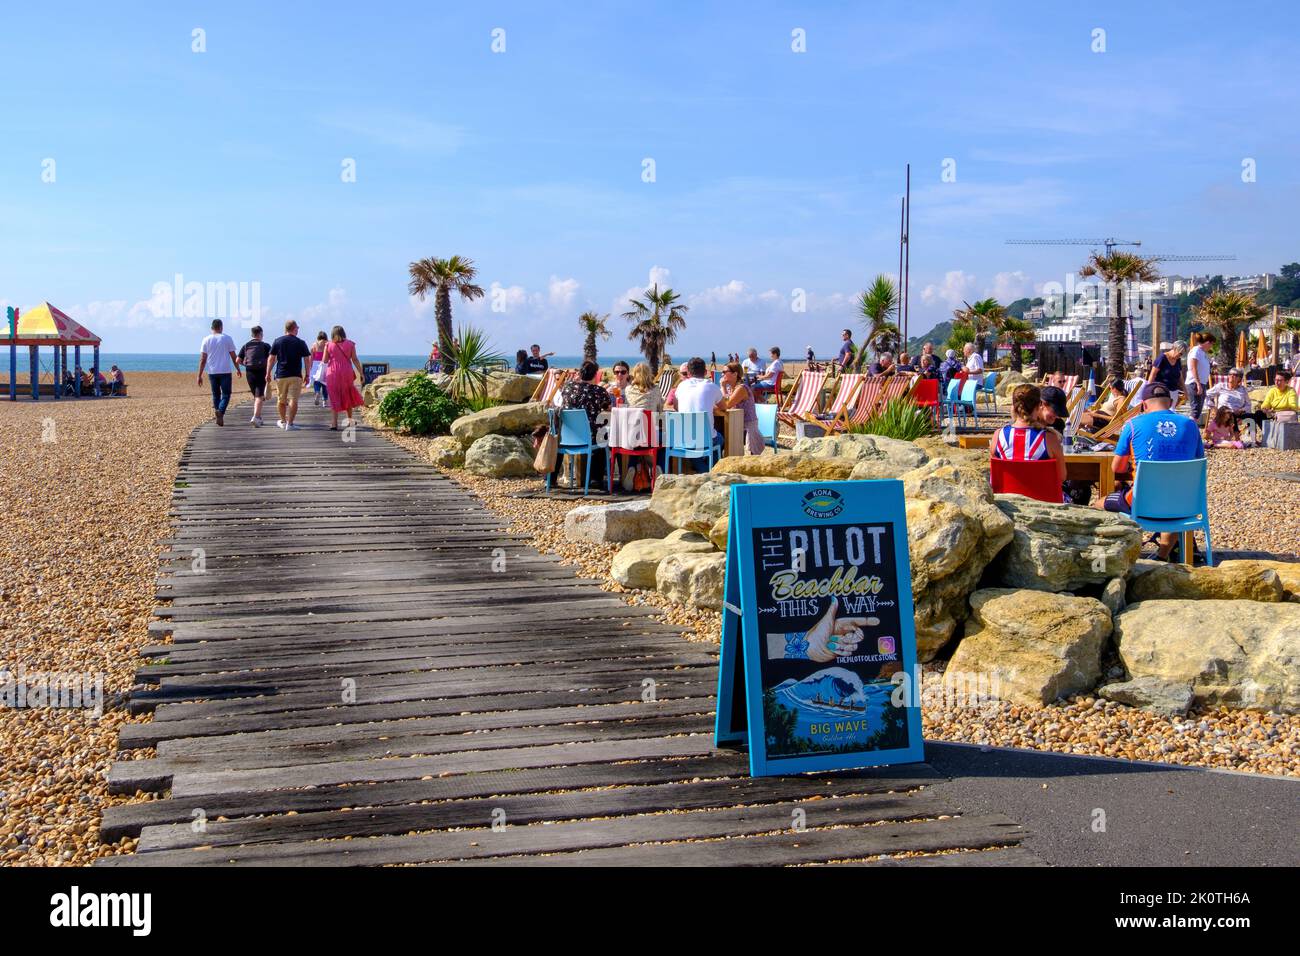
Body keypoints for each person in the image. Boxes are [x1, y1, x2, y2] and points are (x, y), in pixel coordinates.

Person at [1104, 382, 1206, 561]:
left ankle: (1111, 559)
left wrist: (1132, 466)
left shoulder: (1133, 425)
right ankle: (1162, 556)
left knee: (1099, 506)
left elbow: (1117, 468)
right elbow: (1197, 463)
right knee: (1172, 497)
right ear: (1171, 403)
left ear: (1144, 404)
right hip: (1184, 506)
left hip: (1142, 504)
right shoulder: (1191, 425)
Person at [990, 384, 1067, 485]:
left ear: (1014, 405)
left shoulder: (998, 435)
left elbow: (994, 477)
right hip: (1043, 499)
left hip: (1007, 499)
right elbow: (1061, 477)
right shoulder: (1050, 438)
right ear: (1039, 406)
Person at [553, 360, 611, 489]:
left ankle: (550, 479)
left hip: (567, 436)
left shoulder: (568, 388)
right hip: (588, 437)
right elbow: (608, 408)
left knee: (559, 441)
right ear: (595, 375)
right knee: (602, 437)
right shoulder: (599, 391)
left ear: (580, 373)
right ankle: (595, 479)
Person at [671, 357, 725, 472]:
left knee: (694, 443)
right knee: (719, 438)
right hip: (704, 440)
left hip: (683, 439)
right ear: (705, 372)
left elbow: (676, 407)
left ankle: (703, 469)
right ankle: (710, 470)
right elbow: (724, 407)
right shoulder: (711, 386)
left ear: (689, 373)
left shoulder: (681, 386)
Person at [268, 319, 311, 430]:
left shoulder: (278, 341)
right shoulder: (300, 342)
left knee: (281, 399)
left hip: (281, 375)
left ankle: (283, 421)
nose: (298, 330)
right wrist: (307, 374)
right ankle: (290, 424)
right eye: (297, 328)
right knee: (293, 400)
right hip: (295, 375)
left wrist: (268, 372)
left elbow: (271, 359)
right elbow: (307, 359)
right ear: (294, 328)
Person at [321, 325, 366, 430]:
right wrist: (361, 373)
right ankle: (350, 421)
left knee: (334, 397)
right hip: (346, 372)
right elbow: (354, 359)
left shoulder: (329, 345)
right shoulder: (350, 344)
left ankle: (334, 423)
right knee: (347, 395)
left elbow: (325, 360)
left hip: (332, 373)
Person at [197, 318, 240, 426]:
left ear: (212, 328)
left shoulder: (206, 339)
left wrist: (199, 375)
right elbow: (233, 356)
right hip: (225, 371)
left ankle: (218, 414)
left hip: (212, 372)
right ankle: (220, 412)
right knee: (226, 394)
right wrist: (238, 368)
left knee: (216, 395)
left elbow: (203, 359)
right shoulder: (227, 338)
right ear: (221, 327)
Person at [720, 362, 765, 455]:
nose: (722, 374)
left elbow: (727, 404)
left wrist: (722, 387)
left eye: (725, 372)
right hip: (736, 423)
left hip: (747, 427)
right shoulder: (730, 389)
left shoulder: (741, 388)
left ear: (735, 374)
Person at [236, 326, 272, 426]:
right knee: (259, 396)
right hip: (262, 372)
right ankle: (255, 417)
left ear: (252, 335)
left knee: (256, 396)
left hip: (250, 373)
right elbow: (272, 358)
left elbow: (237, 360)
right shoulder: (265, 346)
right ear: (261, 334)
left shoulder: (246, 345)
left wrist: (246, 365)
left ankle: (258, 417)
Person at [1184, 332, 1214, 423]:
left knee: (1198, 409)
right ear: (1207, 342)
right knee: (1195, 409)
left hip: (1201, 383)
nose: (1211, 347)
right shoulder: (1196, 350)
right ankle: (1191, 430)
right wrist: (1198, 383)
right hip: (1195, 382)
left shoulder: (1202, 352)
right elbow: (1193, 368)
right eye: (1211, 344)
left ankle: (1192, 429)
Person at [1147, 340, 1186, 407]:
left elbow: (1180, 377)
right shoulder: (1162, 358)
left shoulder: (1178, 360)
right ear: (1174, 349)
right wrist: (1148, 390)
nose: (1180, 356)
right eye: (1180, 353)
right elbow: (1152, 375)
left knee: (1171, 411)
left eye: (1182, 354)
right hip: (1161, 391)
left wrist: (1185, 390)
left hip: (1174, 391)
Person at [309, 332, 329, 407]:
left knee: (316, 381)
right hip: (324, 364)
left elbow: (311, 358)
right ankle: (325, 401)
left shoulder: (314, 345)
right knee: (325, 383)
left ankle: (317, 392)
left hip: (315, 365)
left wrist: (310, 367)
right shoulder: (327, 344)